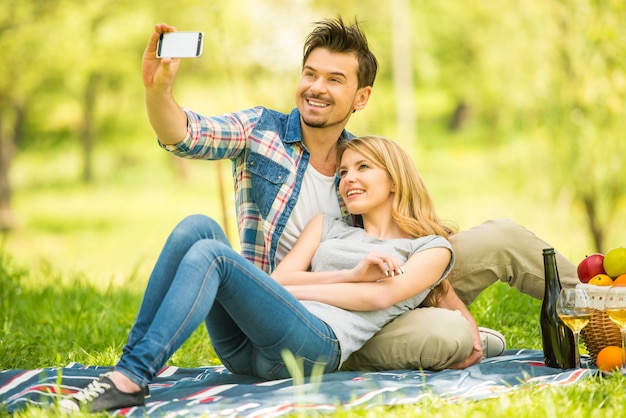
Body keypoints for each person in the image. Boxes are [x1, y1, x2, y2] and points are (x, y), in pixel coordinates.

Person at [58, 135, 459, 413]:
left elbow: (379, 298)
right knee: (196, 227)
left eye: (363, 168)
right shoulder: (326, 226)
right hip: (251, 347)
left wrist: (305, 290)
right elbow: (279, 282)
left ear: (395, 177)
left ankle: (131, 379)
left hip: (314, 348)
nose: (348, 179)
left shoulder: (429, 248)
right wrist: (354, 274)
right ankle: (126, 369)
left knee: (214, 256)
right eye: (343, 172)